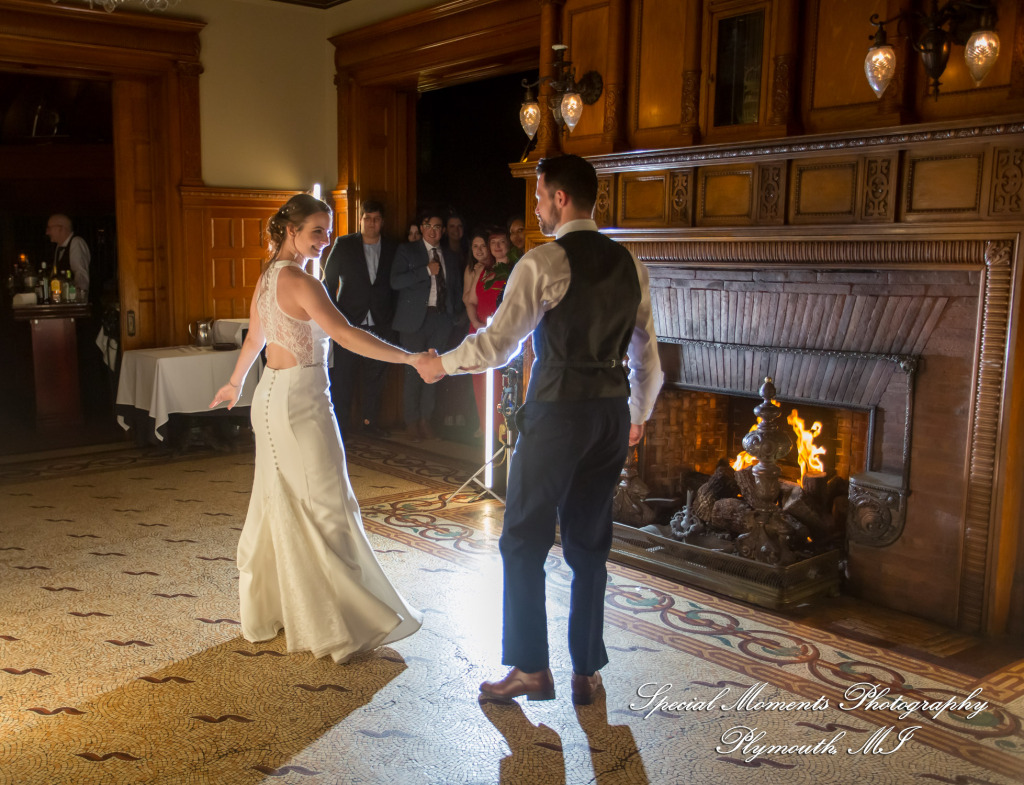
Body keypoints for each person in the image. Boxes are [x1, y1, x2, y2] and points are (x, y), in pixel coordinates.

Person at [418, 155, 663, 705]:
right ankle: (587, 672)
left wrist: (443, 364)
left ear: (559, 198)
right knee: (589, 543)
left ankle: (531, 669)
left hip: (558, 415)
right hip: (610, 416)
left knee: (524, 539)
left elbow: (498, 345)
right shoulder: (631, 264)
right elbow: (648, 353)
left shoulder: (544, 262)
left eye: (538, 194)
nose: (535, 205)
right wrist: (638, 414)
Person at [210, 193, 425, 664]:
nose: (326, 241)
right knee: (327, 505)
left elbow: (254, 339)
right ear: (290, 230)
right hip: (298, 404)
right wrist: (409, 358)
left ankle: (290, 608)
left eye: (328, 232)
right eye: (316, 232)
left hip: (272, 397)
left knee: (282, 502)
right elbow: (346, 334)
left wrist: (235, 383)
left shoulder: (269, 276)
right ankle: (337, 624)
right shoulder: (301, 281)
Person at [321, 200, 397, 438]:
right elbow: (328, 283)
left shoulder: (394, 247)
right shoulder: (344, 245)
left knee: (375, 377)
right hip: (349, 322)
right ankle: (341, 428)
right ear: (360, 219)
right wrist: (335, 318)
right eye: (367, 218)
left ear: (382, 222)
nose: (371, 223)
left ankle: (369, 424)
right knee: (344, 377)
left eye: (376, 219)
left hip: (381, 322)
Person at [390, 209, 462, 441]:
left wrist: (454, 317)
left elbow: (456, 287)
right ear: (422, 228)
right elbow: (395, 281)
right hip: (413, 321)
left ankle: (426, 421)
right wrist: (424, 271)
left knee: (436, 372)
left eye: (438, 227)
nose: (434, 231)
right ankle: (411, 422)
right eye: (429, 227)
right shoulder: (407, 250)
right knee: (414, 371)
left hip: (441, 319)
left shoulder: (449, 256)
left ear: (442, 231)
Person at [462, 228, 500, 438]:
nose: (479, 250)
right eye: (474, 246)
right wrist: (476, 322)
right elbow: (467, 298)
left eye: (482, 245)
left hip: (494, 327)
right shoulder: (473, 269)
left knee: (496, 378)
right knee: (479, 376)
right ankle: (483, 424)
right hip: (477, 324)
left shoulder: (501, 268)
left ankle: (498, 425)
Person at [46, 213, 90, 301]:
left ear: (61, 228)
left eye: (49, 228)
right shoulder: (58, 247)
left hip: (76, 305)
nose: (47, 232)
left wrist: (78, 302)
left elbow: (81, 275)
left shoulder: (76, 242)